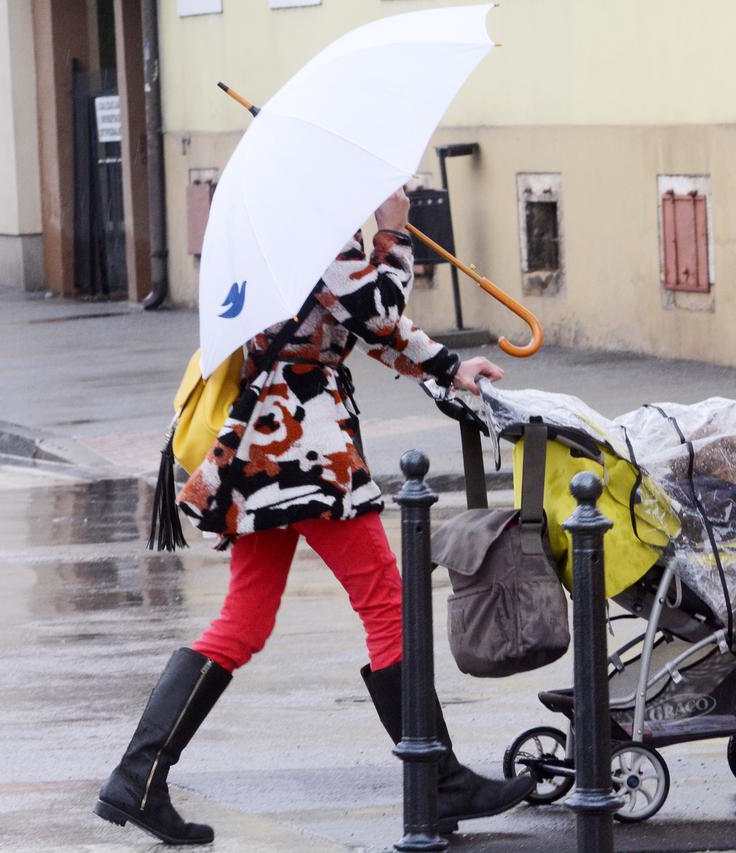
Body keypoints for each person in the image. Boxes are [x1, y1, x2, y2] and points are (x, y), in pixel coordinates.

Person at [93, 189, 533, 845]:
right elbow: (377, 310)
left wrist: (449, 368)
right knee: (387, 603)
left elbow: (362, 325)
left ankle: (138, 776)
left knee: (243, 621)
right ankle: (439, 780)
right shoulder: (310, 221)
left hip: (266, 443)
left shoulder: (285, 218)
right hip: (303, 445)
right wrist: (393, 234)